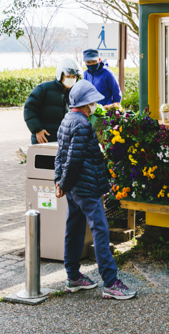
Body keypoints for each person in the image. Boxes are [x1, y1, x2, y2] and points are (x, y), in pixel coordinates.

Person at [54, 80, 137, 299]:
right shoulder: (82, 125)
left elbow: (60, 155)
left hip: (73, 188)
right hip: (86, 188)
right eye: (92, 101)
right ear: (85, 103)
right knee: (100, 230)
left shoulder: (66, 121)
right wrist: (63, 183)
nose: (94, 104)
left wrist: (60, 182)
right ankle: (110, 282)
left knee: (74, 228)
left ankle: (73, 276)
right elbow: (73, 159)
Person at [24, 58, 80, 145]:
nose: (71, 79)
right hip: (44, 138)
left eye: (74, 77)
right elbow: (29, 109)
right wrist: (37, 129)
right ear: (60, 75)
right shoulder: (43, 89)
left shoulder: (74, 93)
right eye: (68, 76)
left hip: (63, 140)